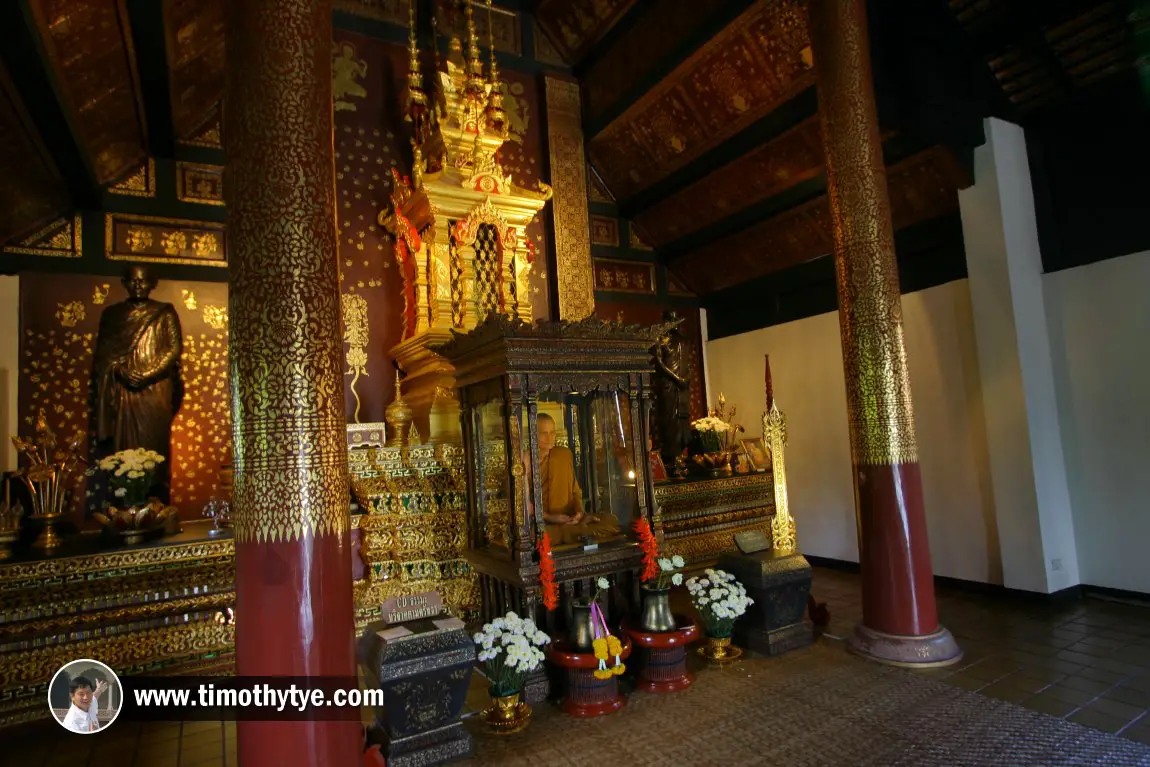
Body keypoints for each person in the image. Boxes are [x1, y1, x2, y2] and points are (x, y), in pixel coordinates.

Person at [93, 265, 184, 491]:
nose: (138, 285)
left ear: (152, 284)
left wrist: (147, 374)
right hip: (124, 389)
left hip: (155, 388)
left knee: (154, 442)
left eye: (143, 281)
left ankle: (156, 497)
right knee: (125, 446)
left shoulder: (164, 312)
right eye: (133, 281)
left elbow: (173, 349)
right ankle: (127, 495)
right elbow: (104, 354)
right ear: (124, 283)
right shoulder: (112, 315)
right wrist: (120, 371)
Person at [533, 413, 620, 545]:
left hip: (570, 519)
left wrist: (579, 513)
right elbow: (523, 507)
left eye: (552, 432)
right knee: (536, 536)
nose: (550, 438)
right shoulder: (526, 462)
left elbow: (575, 492)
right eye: (544, 433)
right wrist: (550, 517)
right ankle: (576, 533)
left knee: (611, 520)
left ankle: (574, 532)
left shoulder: (563, 455)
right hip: (545, 523)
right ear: (534, 435)